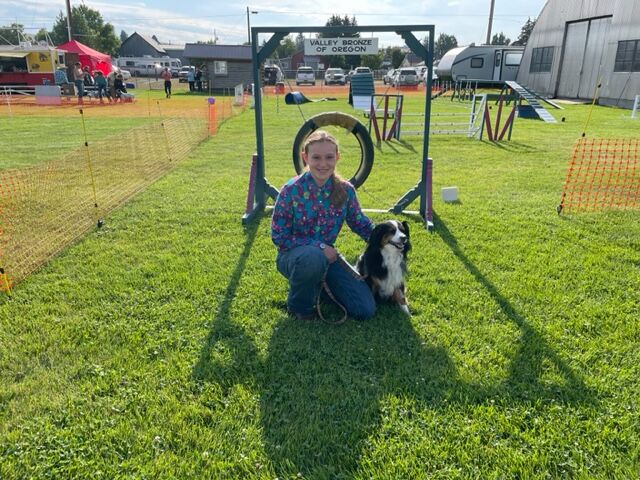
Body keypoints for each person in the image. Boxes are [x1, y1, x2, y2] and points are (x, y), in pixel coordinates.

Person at [271, 130, 376, 321]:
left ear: (337, 157)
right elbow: (280, 237)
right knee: (312, 258)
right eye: (316, 157)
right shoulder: (290, 190)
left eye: (329, 157)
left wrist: (386, 238)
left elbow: (359, 223)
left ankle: (319, 286)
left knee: (365, 308)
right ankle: (299, 307)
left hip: (328, 259)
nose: (323, 164)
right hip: (293, 257)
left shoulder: (346, 191)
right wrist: (319, 246)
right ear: (305, 157)